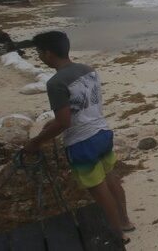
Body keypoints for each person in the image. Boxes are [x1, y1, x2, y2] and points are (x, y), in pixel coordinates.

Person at [23, 31, 133, 243]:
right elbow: (83, 106)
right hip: (102, 133)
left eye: (39, 52)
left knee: (99, 191)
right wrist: (53, 123)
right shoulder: (88, 70)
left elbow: (64, 123)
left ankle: (117, 234)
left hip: (83, 143)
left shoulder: (55, 83)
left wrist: (35, 142)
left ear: (48, 53)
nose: (39, 56)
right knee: (111, 178)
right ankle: (125, 221)